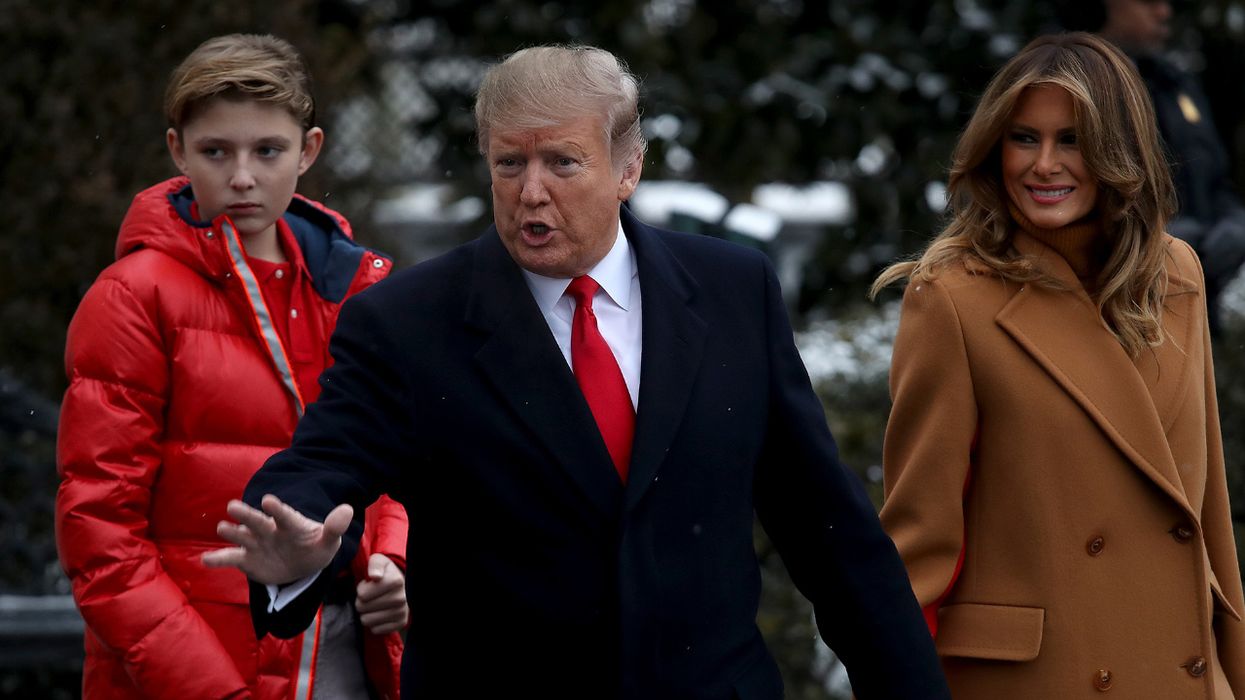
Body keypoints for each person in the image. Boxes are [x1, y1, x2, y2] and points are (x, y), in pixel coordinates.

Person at [203, 44, 951, 699]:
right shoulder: (408, 322)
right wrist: (292, 538)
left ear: (628, 167)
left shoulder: (731, 292)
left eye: (562, 161)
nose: (531, 191)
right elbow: (320, 467)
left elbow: (826, 528)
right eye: (509, 163)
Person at [871, 32, 1245, 698]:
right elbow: (918, 546)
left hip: (1180, 671)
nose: (1043, 164)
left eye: (1070, 140)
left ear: (1118, 149)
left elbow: (1204, 506)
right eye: (1023, 138)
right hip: (1041, 679)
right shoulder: (951, 299)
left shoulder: (1176, 273)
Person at [56, 34, 408, 699]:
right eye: (216, 152)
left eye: (267, 151)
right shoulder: (133, 296)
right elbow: (100, 537)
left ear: (308, 152)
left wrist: (391, 559)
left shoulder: (358, 287)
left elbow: (392, 465)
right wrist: (209, 689)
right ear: (176, 151)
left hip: (341, 655)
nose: (242, 177)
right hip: (189, 669)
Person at [1056, 0, 1245, 334]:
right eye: (1148, 1)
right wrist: (1153, 239)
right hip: (1110, 312)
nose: (1164, 12)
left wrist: (1235, 224)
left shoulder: (1177, 85)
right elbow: (1054, 192)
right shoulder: (1066, 81)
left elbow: (1217, 179)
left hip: (1194, 307)